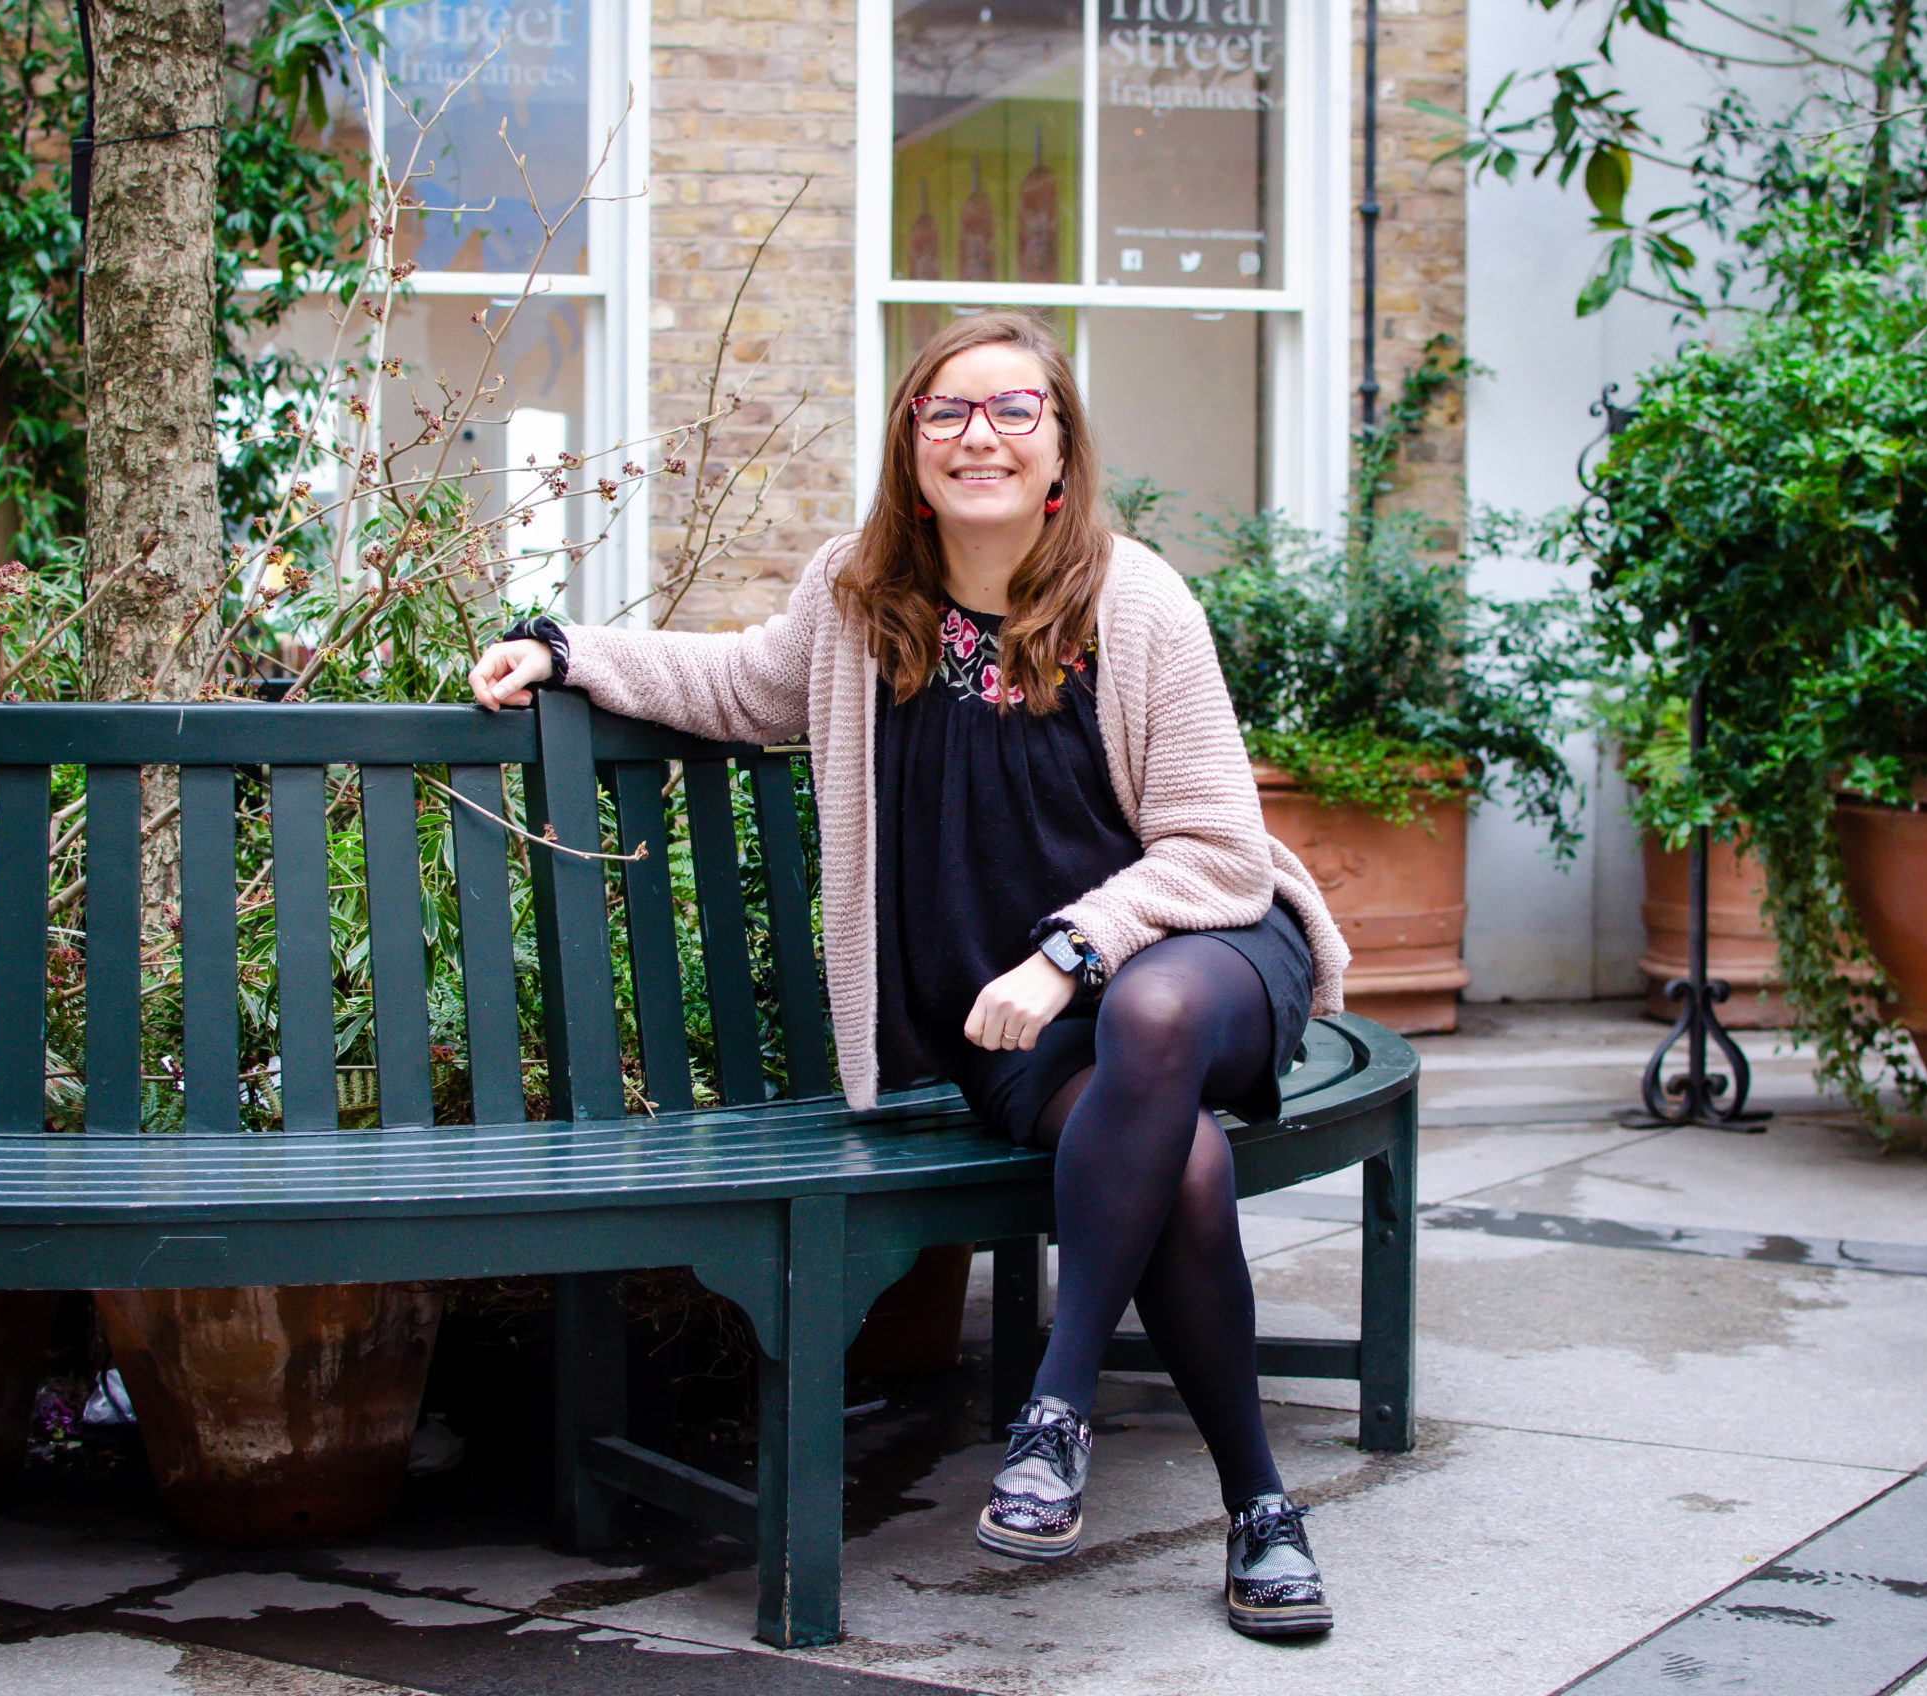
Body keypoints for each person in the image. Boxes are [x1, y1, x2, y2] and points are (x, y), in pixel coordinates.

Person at [467, 311, 1351, 1640]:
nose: (979, 436)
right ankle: (1259, 1507)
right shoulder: (857, 599)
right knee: (1183, 1165)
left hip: (1199, 959)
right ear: (911, 444)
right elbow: (737, 684)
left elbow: (1220, 852)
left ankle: (1054, 1409)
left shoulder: (1136, 601)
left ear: (1062, 449)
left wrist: (1070, 953)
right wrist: (566, 649)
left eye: (1013, 410)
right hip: (1013, 1024)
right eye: (948, 411)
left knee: (1154, 1014)